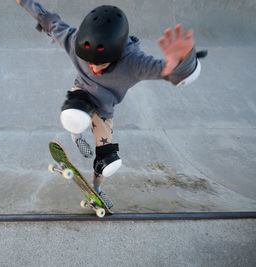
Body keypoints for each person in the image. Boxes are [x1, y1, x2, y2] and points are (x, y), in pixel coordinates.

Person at [16, 0, 204, 210]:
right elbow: (48, 20)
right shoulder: (72, 40)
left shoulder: (134, 63)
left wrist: (182, 61)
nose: (94, 68)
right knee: (75, 116)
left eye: (101, 64)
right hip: (82, 97)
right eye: (89, 62)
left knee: (108, 162)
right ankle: (76, 134)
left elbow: (170, 71)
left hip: (105, 110)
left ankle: (96, 190)